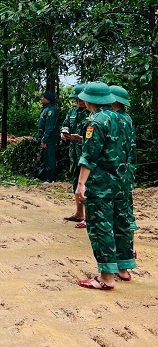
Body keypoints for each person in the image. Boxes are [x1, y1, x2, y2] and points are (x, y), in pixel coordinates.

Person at [75, 81, 136, 290]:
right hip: (123, 182)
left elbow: (89, 156)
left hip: (102, 184)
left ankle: (106, 277)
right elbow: (130, 151)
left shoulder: (96, 121)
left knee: (101, 226)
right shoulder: (124, 119)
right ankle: (124, 269)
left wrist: (81, 184)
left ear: (90, 100)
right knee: (122, 224)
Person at [110, 85, 138, 267]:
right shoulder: (126, 118)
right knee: (126, 213)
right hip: (126, 173)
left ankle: (121, 255)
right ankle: (128, 251)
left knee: (119, 214)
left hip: (116, 174)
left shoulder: (114, 119)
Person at [61, 84, 90, 228]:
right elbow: (66, 123)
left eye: (81, 99)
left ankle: (89, 217)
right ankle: (79, 213)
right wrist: (64, 131)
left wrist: (80, 139)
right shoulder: (72, 111)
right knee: (75, 181)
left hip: (87, 153)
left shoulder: (92, 113)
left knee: (87, 184)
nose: (79, 102)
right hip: (74, 153)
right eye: (76, 100)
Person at [36, 90, 58, 183]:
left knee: (49, 159)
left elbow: (49, 127)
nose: (41, 99)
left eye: (43, 97)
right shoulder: (45, 109)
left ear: (48, 99)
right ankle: (41, 177)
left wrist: (45, 140)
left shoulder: (51, 111)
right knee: (44, 158)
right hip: (43, 139)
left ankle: (50, 179)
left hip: (49, 140)